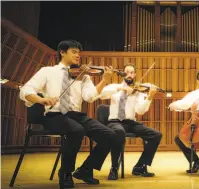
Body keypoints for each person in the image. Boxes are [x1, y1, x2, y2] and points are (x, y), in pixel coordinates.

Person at [19, 40, 124, 188]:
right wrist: (42, 99)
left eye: (79, 53)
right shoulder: (48, 71)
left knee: (110, 135)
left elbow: (90, 96)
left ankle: (85, 170)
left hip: (76, 115)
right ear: (62, 52)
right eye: (74, 52)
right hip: (54, 115)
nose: (78, 55)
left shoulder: (83, 75)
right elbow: (26, 90)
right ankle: (66, 172)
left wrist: (104, 81)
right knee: (76, 130)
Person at [98, 63, 162, 180]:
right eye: (127, 72)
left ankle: (140, 166)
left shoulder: (138, 91)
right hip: (115, 122)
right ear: (122, 73)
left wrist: (149, 97)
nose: (129, 75)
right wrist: (121, 88)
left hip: (131, 123)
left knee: (156, 135)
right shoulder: (114, 87)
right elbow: (101, 95)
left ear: (135, 75)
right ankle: (114, 167)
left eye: (132, 72)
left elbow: (140, 111)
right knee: (119, 132)